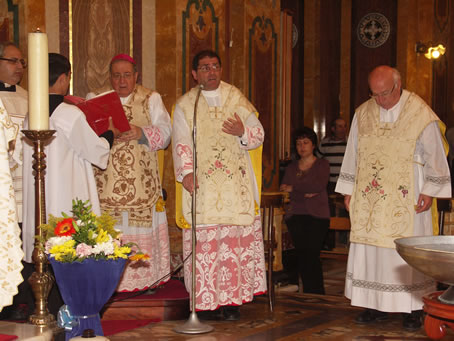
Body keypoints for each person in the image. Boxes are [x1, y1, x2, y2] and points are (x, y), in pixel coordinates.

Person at [336, 65, 451, 331]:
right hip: (371, 196)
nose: (378, 100)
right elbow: (353, 152)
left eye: (384, 93)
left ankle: (412, 307)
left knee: (404, 253)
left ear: (398, 86)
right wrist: (348, 189)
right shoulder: (362, 114)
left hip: (407, 196)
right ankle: (372, 304)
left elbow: (435, 152)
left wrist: (430, 190)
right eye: (373, 94)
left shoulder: (420, 112)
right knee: (372, 250)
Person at [172, 50, 266, 321]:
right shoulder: (186, 104)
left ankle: (232, 303)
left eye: (215, 66)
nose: (210, 72)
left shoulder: (235, 97)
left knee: (232, 245)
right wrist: (186, 172)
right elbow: (180, 140)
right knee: (206, 246)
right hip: (203, 187)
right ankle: (204, 303)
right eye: (204, 68)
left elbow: (258, 134)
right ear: (194, 74)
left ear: (221, 70)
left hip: (234, 187)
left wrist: (243, 132)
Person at [22, 53, 118, 317]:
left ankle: (41, 306)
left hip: (40, 197)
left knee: (43, 252)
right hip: (66, 195)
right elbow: (95, 150)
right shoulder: (69, 114)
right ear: (63, 78)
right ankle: (70, 309)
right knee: (68, 253)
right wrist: (109, 134)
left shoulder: (32, 114)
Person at [87, 54, 171, 292]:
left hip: (140, 180)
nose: (121, 81)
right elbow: (85, 132)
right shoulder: (95, 99)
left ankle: (145, 279)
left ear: (136, 76)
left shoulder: (151, 98)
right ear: (110, 77)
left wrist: (141, 132)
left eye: (126, 75)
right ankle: (108, 279)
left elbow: (165, 132)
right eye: (116, 75)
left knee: (138, 227)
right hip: (107, 181)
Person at [280, 127, 330, 294]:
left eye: (306, 142)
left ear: (313, 145)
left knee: (312, 255)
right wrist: (303, 191)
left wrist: (294, 188)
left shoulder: (322, 164)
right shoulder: (291, 168)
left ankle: (316, 293)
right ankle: (306, 293)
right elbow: (284, 189)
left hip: (317, 216)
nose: (302, 146)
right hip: (296, 215)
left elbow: (318, 186)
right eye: (299, 143)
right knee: (301, 254)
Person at [0, 41, 28, 320]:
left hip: (19, 185)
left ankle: (17, 302)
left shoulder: (27, 97)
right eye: (13, 61)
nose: (19, 67)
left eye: (22, 63)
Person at [317, 117, 347, 194]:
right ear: (333, 129)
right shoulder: (325, 143)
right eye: (340, 126)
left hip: (345, 183)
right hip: (329, 183)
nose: (343, 129)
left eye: (345, 126)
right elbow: (315, 160)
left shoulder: (350, 143)